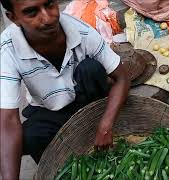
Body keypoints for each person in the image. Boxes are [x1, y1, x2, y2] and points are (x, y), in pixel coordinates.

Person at [0, 0, 130, 179]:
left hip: (89, 100)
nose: (47, 18)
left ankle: (97, 129)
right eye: (32, 12)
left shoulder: (80, 31)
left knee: (91, 68)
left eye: (50, 5)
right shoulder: (7, 49)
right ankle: (61, 169)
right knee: (30, 136)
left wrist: (106, 124)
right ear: (13, 18)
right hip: (51, 108)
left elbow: (122, 77)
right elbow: (7, 121)